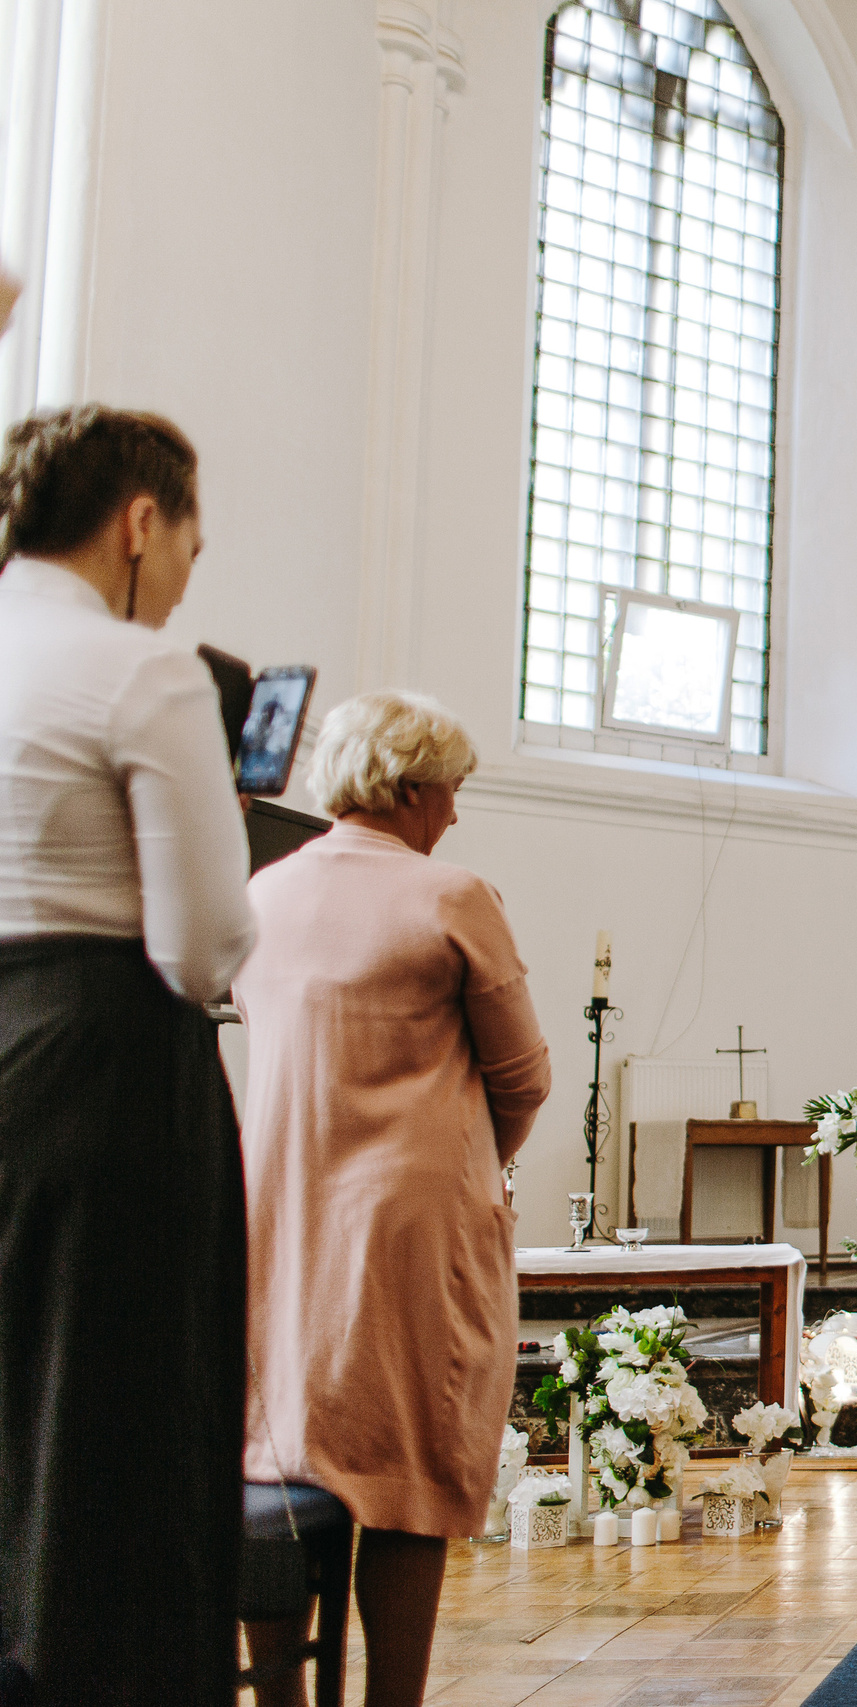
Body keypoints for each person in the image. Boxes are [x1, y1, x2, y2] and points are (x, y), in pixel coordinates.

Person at [0, 406, 258, 1704]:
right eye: (191, 550)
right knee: (116, 1443)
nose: (181, 587)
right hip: (104, 1071)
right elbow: (206, 942)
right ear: (140, 523)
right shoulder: (139, 670)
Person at [235, 691, 551, 1707]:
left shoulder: (262, 894)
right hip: (412, 1234)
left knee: (282, 1459)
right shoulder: (450, 896)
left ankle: (280, 1698)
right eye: (451, 790)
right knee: (410, 1477)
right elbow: (525, 1077)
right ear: (412, 789)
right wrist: (464, 1166)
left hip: (278, 1224)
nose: (455, 814)